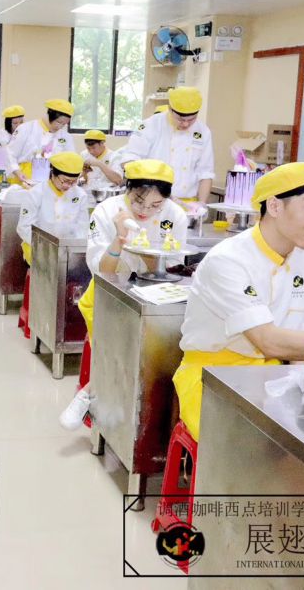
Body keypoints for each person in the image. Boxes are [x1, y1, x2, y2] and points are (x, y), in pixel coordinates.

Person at [176, 162, 304, 441]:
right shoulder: (229, 259)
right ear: (274, 206)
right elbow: (267, 340)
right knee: (250, 448)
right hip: (212, 378)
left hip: (275, 376)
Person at [61, 160, 189, 429]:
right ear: (127, 189)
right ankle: (92, 396)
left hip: (156, 292)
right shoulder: (107, 211)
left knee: (157, 350)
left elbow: (171, 266)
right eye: (138, 201)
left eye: (155, 205)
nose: (145, 211)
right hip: (109, 292)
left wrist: (146, 250)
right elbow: (102, 270)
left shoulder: (175, 215)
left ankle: (88, 393)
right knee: (120, 344)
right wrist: (119, 240)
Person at [114, 87, 214, 216]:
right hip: (150, 203)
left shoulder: (203, 132)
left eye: (191, 120)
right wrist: (153, 183)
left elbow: (205, 172)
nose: (185, 124)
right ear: (170, 109)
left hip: (186, 205)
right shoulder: (151, 125)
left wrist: (201, 204)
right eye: (181, 119)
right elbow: (129, 159)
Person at [15, 152, 88, 264]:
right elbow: (24, 227)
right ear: (53, 174)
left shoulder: (80, 195)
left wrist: (74, 251)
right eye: (65, 181)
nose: (68, 186)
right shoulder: (36, 193)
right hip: (38, 249)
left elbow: (82, 227)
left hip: (68, 253)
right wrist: (47, 248)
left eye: (73, 182)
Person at [5, 99, 77, 187]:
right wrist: (17, 172)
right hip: (25, 178)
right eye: (59, 122)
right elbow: (10, 154)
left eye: (64, 124)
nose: (60, 126)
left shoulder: (65, 136)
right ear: (49, 115)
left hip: (52, 181)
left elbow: (71, 159)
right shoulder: (26, 128)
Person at [0, 105, 26, 181]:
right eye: (15, 123)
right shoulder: (0, 136)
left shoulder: (26, 135)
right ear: (8, 123)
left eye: (21, 122)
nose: (19, 125)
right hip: (6, 175)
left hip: (22, 174)